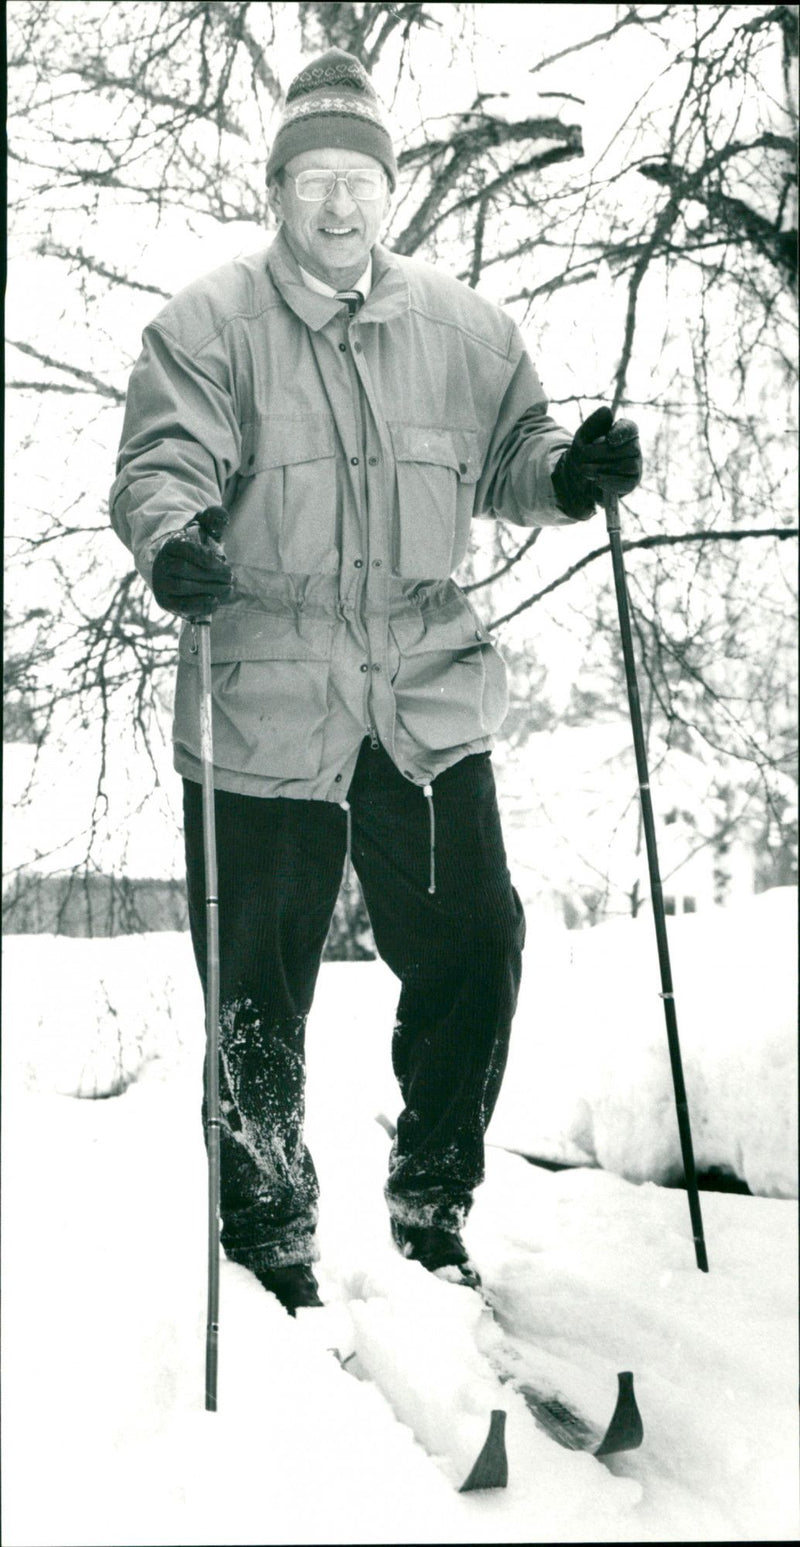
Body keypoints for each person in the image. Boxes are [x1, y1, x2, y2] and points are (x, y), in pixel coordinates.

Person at [110, 49, 642, 1315]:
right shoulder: (207, 325)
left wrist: (570, 474)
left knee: (475, 941)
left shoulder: (463, 328)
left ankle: (430, 1198)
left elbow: (515, 446)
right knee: (257, 991)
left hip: (420, 687)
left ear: (386, 190)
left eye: (359, 178)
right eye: (314, 180)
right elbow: (162, 458)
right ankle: (270, 1237)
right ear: (279, 189)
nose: (338, 204)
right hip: (262, 687)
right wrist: (173, 540)